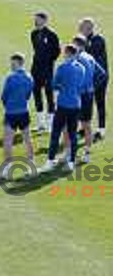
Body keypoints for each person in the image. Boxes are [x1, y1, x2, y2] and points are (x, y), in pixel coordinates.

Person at [41, 44, 86, 172]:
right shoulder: (81, 68)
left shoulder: (62, 67)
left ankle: (50, 161)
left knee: (55, 133)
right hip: (76, 104)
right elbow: (80, 86)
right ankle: (71, 162)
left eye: (65, 53)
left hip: (63, 105)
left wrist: (62, 87)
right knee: (73, 134)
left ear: (68, 53)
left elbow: (54, 85)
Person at [72, 34, 106, 164]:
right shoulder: (90, 57)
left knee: (72, 124)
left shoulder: (78, 58)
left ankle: (71, 155)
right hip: (88, 95)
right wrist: (92, 86)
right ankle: (86, 154)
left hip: (78, 95)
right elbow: (102, 74)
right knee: (87, 124)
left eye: (74, 44)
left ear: (80, 45)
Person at [0, 53, 34, 178]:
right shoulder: (29, 77)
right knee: (27, 139)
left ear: (19, 63)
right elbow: (28, 95)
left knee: (8, 142)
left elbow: (4, 96)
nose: (11, 66)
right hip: (24, 112)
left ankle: (7, 170)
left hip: (11, 113)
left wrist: (8, 105)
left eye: (13, 64)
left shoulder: (10, 78)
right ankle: (30, 167)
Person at [30, 11, 60, 132]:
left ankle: (50, 123)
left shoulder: (52, 34)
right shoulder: (33, 33)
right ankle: (40, 123)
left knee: (49, 95)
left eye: (37, 19)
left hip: (47, 69)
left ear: (44, 20)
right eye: (35, 19)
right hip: (35, 68)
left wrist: (48, 61)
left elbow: (56, 51)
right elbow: (36, 49)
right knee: (36, 93)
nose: (35, 21)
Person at [79, 17, 108, 141]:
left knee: (99, 102)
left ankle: (101, 130)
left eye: (82, 27)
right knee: (85, 103)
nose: (80, 28)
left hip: (99, 77)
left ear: (89, 28)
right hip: (87, 78)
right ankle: (84, 127)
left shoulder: (97, 39)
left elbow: (91, 57)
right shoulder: (83, 39)